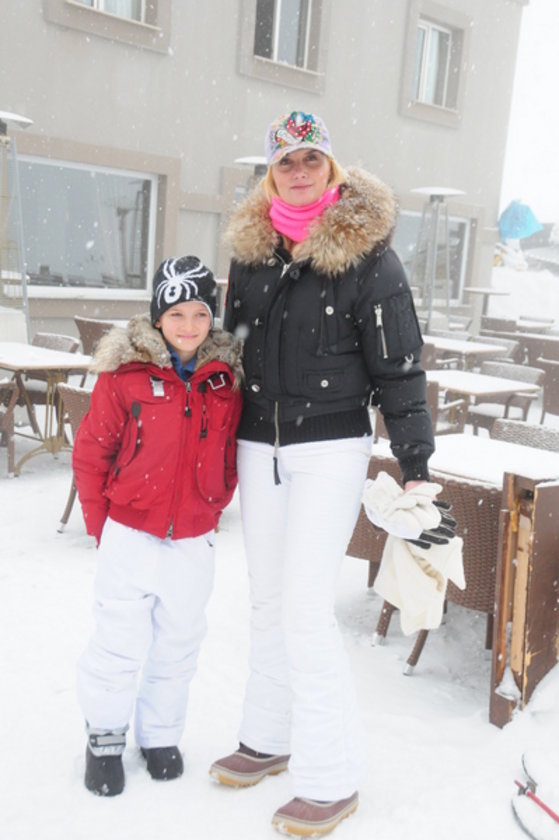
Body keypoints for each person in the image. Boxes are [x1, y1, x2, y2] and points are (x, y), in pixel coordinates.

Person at [209, 110, 436, 836]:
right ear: (271, 173)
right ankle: (267, 736)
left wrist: (414, 462)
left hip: (329, 447)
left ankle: (331, 776)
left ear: (331, 168)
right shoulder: (252, 254)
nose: (299, 171)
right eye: (286, 161)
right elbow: (231, 351)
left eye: (312, 159)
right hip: (259, 446)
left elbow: (399, 366)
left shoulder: (369, 257)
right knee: (266, 601)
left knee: (304, 609)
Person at [73, 255, 243, 797]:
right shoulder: (125, 377)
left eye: (200, 313)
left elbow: (231, 455)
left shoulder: (225, 381)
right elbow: (92, 452)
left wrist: (212, 505)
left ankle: (161, 735)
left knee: (179, 641)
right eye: (176, 314)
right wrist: (103, 527)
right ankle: (104, 736)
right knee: (118, 641)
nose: (189, 325)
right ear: (157, 317)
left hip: (193, 538)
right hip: (129, 530)